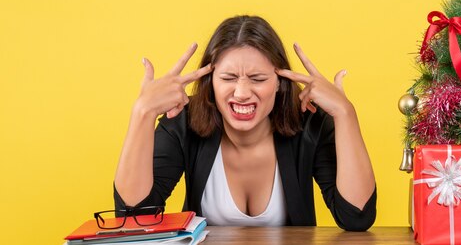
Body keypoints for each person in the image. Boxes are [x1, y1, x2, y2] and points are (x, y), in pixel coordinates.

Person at [113, 15, 376, 231]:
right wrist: (142, 113)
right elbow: (133, 219)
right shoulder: (183, 121)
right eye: (228, 78)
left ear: (279, 84)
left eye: (258, 78)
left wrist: (345, 113)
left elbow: (357, 217)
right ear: (210, 82)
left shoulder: (310, 122)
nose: (241, 92)